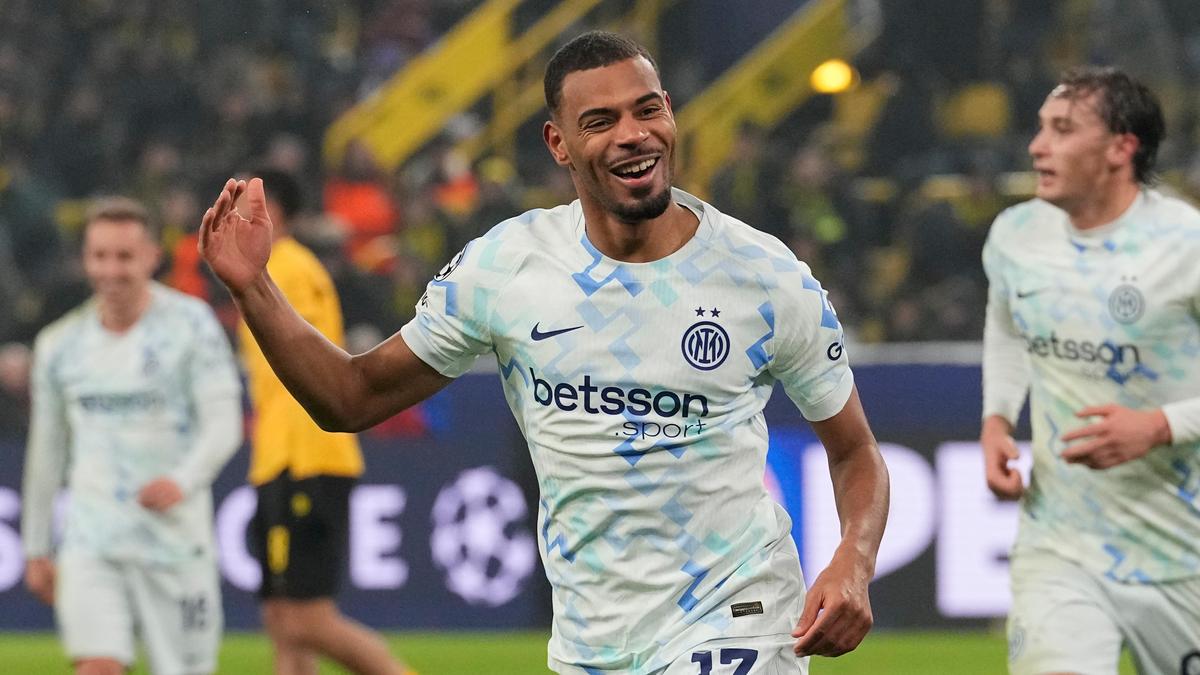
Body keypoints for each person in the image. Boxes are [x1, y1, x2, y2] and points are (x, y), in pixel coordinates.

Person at [201, 31, 889, 674]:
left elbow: (855, 450)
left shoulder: (763, 275)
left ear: (670, 113)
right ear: (558, 143)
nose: (633, 134)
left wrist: (852, 562)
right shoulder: (508, 267)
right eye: (601, 121)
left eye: (647, 110)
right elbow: (350, 397)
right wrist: (253, 288)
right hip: (590, 641)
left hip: (738, 614)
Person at [981, 65, 1200, 674]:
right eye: (1040, 127)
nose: (1037, 146)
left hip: (1182, 553)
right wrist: (997, 419)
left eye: (1062, 129)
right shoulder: (1016, 236)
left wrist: (1158, 426)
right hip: (1061, 546)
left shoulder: (1186, 245)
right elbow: (1007, 328)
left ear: (1120, 148)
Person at [21, 197, 243, 675]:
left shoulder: (192, 326)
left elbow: (224, 422)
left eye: (124, 256)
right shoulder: (59, 346)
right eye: (99, 256)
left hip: (175, 545)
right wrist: (36, 547)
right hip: (92, 542)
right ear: (85, 259)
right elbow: (47, 452)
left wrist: (182, 480)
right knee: (97, 667)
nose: (110, 270)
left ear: (151, 257)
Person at [236, 168, 414, 675]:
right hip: (279, 453)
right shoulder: (265, 269)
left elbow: (310, 361)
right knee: (280, 618)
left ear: (272, 210)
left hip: (307, 454)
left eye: (241, 201)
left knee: (306, 620)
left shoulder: (288, 268)